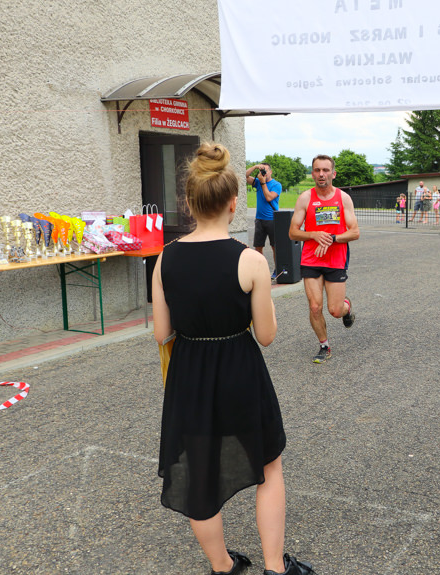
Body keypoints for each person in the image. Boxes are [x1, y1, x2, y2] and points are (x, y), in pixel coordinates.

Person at [152, 143, 316, 575]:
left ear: (188, 202)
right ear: (232, 204)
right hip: (240, 371)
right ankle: (275, 569)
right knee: (268, 465)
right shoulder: (250, 260)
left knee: (199, 475)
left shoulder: (166, 257)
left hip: (190, 374)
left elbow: (161, 332)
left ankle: (223, 567)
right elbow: (266, 336)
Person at [289, 154, 360, 363]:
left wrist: (332, 238)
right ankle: (324, 345)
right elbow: (293, 232)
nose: (321, 174)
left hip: (336, 259)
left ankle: (346, 307)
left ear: (333, 174)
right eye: (317, 170)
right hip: (311, 258)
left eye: (326, 170)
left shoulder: (343, 198)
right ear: (312, 174)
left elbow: (354, 232)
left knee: (335, 310)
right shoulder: (305, 198)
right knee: (315, 306)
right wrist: (313, 234)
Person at [246, 162, 282, 279]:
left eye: (265, 171)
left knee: (274, 246)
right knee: (258, 247)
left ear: (270, 172)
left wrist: (262, 182)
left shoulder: (276, 185)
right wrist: (255, 167)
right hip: (259, 219)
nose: (263, 173)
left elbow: (268, 197)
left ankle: (277, 270)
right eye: (262, 171)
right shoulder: (257, 181)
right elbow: (244, 176)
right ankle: (261, 270)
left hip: (272, 219)